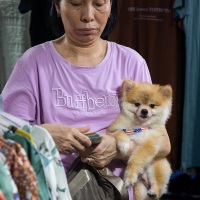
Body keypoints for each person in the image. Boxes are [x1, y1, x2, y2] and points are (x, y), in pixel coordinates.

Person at [1, 0, 171, 199]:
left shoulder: (131, 62)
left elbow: (162, 142)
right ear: (57, 6)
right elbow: (6, 137)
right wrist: (43, 135)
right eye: (75, 3)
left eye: (99, 4)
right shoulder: (33, 63)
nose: (88, 16)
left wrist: (118, 149)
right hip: (51, 190)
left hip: (117, 191)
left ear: (111, 8)